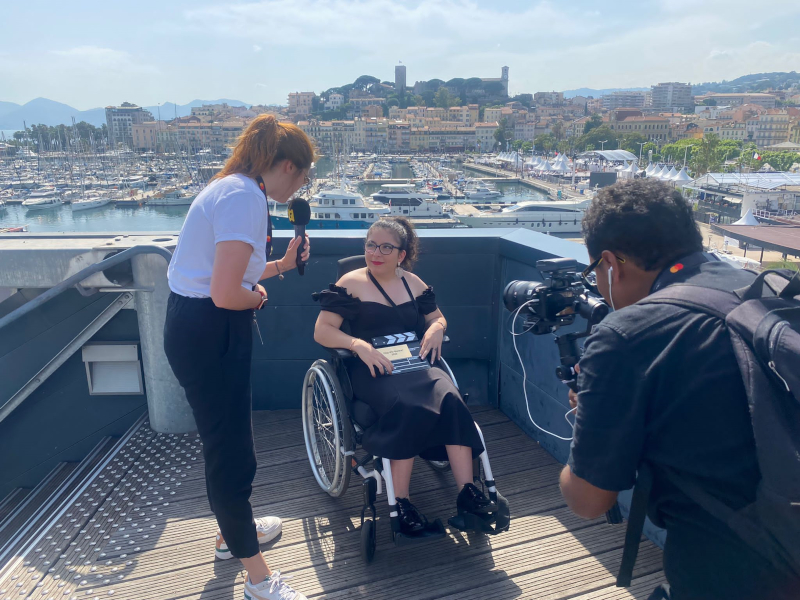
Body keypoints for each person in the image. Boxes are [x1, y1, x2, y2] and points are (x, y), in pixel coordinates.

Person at [559, 179, 798, 600]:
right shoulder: (762, 288)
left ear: (612, 263)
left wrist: (586, 426)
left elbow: (588, 500)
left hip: (732, 566)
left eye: (594, 269)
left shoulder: (626, 335)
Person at [163, 115, 313, 600]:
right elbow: (229, 293)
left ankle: (233, 534)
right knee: (230, 455)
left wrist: (281, 266)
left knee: (228, 442)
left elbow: (222, 274)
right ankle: (258, 579)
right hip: (211, 330)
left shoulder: (233, 188)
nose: (303, 184)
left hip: (199, 326)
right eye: (304, 174)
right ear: (286, 165)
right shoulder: (245, 198)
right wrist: (259, 299)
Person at [313, 217, 495, 535]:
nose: (376, 252)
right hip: (372, 368)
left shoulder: (414, 283)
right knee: (405, 405)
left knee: (451, 398)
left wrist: (437, 329)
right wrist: (357, 345)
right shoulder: (350, 283)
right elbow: (322, 331)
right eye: (371, 244)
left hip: (414, 363)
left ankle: (467, 493)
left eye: (386, 247)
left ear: (401, 253)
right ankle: (402, 502)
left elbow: (438, 318)